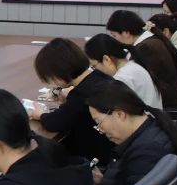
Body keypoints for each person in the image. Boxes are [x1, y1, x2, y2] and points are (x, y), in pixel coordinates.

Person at [84, 80, 177, 185]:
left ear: (120, 114)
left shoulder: (147, 152)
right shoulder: (151, 130)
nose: (100, 130)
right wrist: (102, 181)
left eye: (98, 122)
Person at [27, 38, 116, 166]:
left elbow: (56, 123)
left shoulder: (81, 93)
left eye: (51, 77)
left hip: (96, 158)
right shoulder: (98, 76)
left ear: (58, 71)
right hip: (111, 150)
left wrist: (40, 114)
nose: (53, 83)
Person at [106, 10, 177, 107]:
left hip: (163, 106)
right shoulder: (150, 41)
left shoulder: (146, 48)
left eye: (114, 35)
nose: (114, 40)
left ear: (126, 32)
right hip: (164, 101)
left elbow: (135, 80)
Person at [84, 34, 164, 109]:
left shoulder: (122, 78)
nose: (96, 71)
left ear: (106, 60)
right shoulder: (134, 66)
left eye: (94, 66)